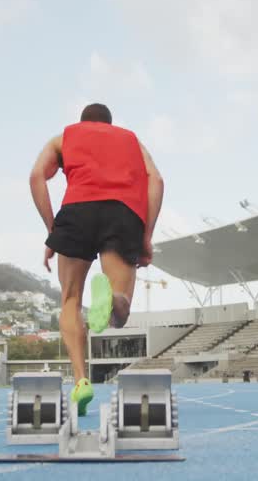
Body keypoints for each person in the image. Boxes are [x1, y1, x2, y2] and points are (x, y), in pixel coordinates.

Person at [29, 103, 164, 416]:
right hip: (123, 213)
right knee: (120, 314)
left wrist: (53, 231)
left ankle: (80, 380)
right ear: (110, 123)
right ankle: (115, 298)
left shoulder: (63, 138)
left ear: (83, 121)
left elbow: (36, 176)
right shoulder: (132, 141)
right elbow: (156, 181)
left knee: (70, 300)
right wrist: (146, 235)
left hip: (77, 212)